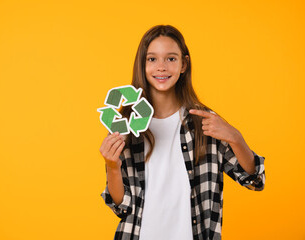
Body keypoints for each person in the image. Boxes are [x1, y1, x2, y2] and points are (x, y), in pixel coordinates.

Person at [99, 25, 265, 240]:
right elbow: (121, 207)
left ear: (184, 64)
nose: (161, 67)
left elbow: (253, 180)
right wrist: (112, 166)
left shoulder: (205, 122)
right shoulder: (127, 123)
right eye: (152, 59)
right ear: (142, 64)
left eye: (171, 58)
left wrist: (235, 137)